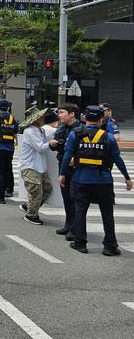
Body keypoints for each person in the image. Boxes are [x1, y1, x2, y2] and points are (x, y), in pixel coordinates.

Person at [59, 105, 132, 256]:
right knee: (107, 213)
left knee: (80, 211)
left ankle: (80, 243)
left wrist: (62, 173)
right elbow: (117, 159)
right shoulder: (108, 137)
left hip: (81, 179)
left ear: (85, 117)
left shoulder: (75, 134)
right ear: (101, 120)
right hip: (103, 180)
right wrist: (127, 177)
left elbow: (67, 156)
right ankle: (110, 246)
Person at [48, 103, 81, 239]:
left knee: (75, 198)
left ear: (71, 114)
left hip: (77, 168)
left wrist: (77, 158)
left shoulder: (81, 129)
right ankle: (68, 225)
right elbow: (56, 146)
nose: (59, 115)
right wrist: (52, 144)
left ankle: (75, 228)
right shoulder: (61, 129)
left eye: (62, 112)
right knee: (66, 197)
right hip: (63, 165)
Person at [17, 107, 53, 225]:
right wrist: (51, 144)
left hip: (39, 165)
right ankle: (31, 215)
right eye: (39, 117)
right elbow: (40, 148)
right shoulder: (30, 131)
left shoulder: (40, 130)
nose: (41, 118)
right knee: (36, 191)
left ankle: (29, 206)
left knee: (47, 189)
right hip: (30, 165)